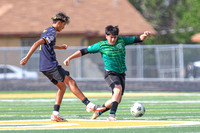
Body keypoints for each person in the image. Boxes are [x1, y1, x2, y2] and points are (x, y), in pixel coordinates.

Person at [20, 12, 105, 122]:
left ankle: (55, 114)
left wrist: (60, 47)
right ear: (59, 23)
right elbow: (37, 43)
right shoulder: (52, 33)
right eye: (63, 25)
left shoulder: (46, 30)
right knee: (71, 82)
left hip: (44, 67)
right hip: (50, 65)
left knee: (62, 87)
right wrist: (27, 58)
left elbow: (46, 44)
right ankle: (89, 104)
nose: (63, 28)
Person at [63, 25, 151, 121]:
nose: (113, 39)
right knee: (118, 90)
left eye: (115, 37)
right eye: (111, 37)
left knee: (117, 99)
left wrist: (145, 35)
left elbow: (138, 39)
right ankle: (111, 115)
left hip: (121, 73)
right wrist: (69, 58)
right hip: (110, 73)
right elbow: (83, 51)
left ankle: (99, 111)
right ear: (106, 36)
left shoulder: (121, 40)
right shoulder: (101, 45)